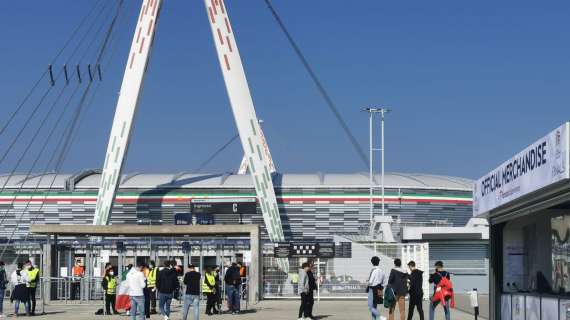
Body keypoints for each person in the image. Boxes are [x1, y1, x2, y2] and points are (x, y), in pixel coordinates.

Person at [367, 256, 386, 320]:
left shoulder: (373, 270)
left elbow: (370, 282)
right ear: (378, 262)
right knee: (374, 307)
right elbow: (384, 282)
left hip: (372, 290)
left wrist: (367, 281)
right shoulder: (381, 271)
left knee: (370, 307)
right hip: (379, 289)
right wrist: (381, 287)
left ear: (372, 262)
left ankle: (380, 316)